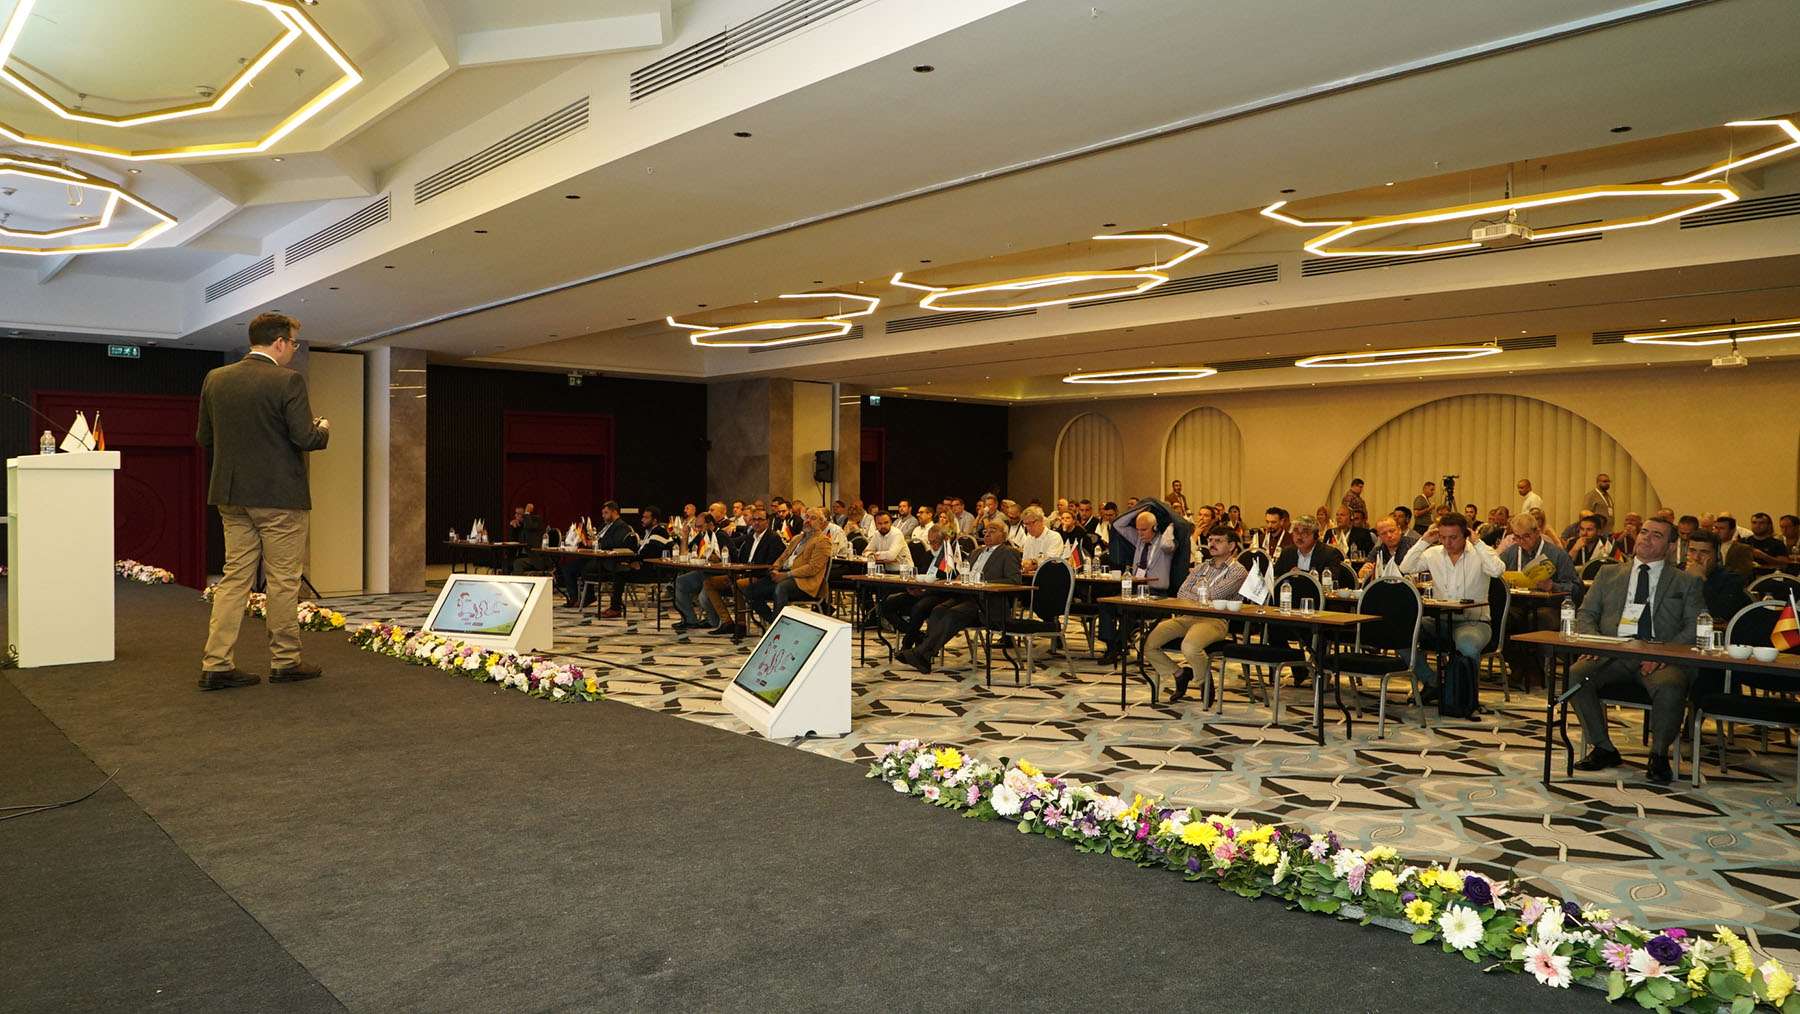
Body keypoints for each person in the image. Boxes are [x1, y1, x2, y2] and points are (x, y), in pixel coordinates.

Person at [195, 312, 331, 691]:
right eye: (293, 343)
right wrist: (322, 428)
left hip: (232, 495)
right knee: (282, 581)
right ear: (280, 343)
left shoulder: (216, 378)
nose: (293, 350)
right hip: (279, 498)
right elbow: (305, 438)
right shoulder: (288, 380)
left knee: (234, 578)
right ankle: (286, 661)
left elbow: (204, 437)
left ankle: (216, 663)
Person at [1568, 516, 1702, 784]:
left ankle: (1659, 755)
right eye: (1644, 532)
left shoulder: (1685, 582)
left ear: (1671, 546)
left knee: (1671, 685)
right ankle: (1603, 747)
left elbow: (1695, 626)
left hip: (1660, 658)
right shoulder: (1608, 573)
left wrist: (1662, 655)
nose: (1646, 539)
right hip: (1613, 652)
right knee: (1576, 675)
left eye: (1656, 535)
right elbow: (1586, 614)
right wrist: (1596, 643)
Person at [1399, 513, 1504, 702]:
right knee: (1401, 633)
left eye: (1453, 537)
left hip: (1474, 622)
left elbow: (1497, 570)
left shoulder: (1480, 553)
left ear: (1466, 534)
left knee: (1467, 646)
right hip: (1439, 621)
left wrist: (1478, 542)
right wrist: (1423, 541)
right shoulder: (1433, 553)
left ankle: (1464, 698)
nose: (1447, 543)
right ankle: (1432, 682)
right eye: (1443, 537)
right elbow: (1406, 567)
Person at [895, 520, 1021, 674]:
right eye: (986, 531)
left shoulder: (1008, 553)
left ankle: (921, 653)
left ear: (1004, 535)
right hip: (966, 596)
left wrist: (983, 581)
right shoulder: (977, 552)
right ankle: (926, 656)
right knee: (938, 610)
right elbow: (962, 572)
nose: (987, 534)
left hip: (987, 602)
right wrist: (958, 579)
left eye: (992, 530)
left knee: (953, 614)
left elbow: (1014, 581)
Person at [1154, 526, 1248, 704]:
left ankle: (1204, 681)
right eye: (1210, 540)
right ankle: (1180, 674)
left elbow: (1214, 595)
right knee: (1146, 643)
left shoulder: (1238, 571)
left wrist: (1197, 593)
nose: (1212, 544)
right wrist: (1201, 595)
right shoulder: (1202, 566)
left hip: (1215, 620)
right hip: (1187, 616)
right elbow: (1181, 593)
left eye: (1218, 541)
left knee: (1189, 647)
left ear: (1231, 546)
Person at [1494, 513, 1577, 689]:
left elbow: (1576, 588)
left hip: (1548, 607)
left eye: (1526, 536)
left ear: (1537, 532)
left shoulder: (1557, 554)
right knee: (1501, 619)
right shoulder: (1510, 553)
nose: (1521, 541)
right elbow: (1495, 578)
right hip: (1517, 604)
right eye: (1517, 537)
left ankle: (1534, 669)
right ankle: (1517, 665)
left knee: (1536, 619)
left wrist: (1553, 585)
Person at [1097, 510, 1179, 665]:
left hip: (1156, 593)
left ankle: (1117, 647)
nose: (1140, 533)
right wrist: (1141, 508)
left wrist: (1169, 525)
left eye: (1144, 529)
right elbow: (1118, 525)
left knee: (1129, 609)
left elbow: (1167, 543)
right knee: (1106, 603)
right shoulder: (1139, 540)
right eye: (1138, 529)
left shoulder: (1165, 545)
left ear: (1155, 527)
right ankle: (1111, 645)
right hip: (1135, 589)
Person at [879, 524, 961, 645]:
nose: (932, 545)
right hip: (920, 592)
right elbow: (919, 574)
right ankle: (919, 637)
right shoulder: (928, 555)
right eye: (930, 542)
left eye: (935, 542)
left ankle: (907, 644)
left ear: (944, 540)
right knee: (887, 604)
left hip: (939, 595)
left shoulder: (950, 557)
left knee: (919, 608)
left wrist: (924, 591)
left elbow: (951, 581)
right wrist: (912, 588)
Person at [746, 507, 831, 623]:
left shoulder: (823, 541)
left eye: (813, 518)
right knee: (751, 590)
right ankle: (774, 622)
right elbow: (783, 557)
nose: (807, 521)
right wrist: (775, 568)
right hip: (785, 576)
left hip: (804, 582)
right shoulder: (797, 538)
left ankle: (777, 627)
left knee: (781, 588)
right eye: (806, 517)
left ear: (821, 523)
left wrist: (787, 575)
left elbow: (812, 568)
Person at [711, 508, 786, 635]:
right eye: (754, 519)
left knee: (738, 584)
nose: (756, 522)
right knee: (710, 583)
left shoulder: (773, 538)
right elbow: (741, 557)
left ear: (767, 521)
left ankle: (741, 624)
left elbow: (771, 564)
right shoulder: (751, 536)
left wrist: (747, 571)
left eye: (760, 519)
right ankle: (727, 622)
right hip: (743, 573)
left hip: (760, 577)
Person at [559, 502, 638, 615]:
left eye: (606, 513)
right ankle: (574, 598)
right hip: (595, 556)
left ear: (614, 512)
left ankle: (589, 596)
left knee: (586, 568)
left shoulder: (621, 526)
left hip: (608, 561)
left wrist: (595, 543)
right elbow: (596, 538)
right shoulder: (605, 526)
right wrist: (586, 542)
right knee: (568, 568)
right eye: (602, 513)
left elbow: (614, 543)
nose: (603, 516)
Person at [672, 512, 723, 631]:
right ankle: (690, 620)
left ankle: (713, 621)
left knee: (703, 596)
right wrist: (685, 537)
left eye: (700, 526)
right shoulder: (701, 535)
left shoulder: (720, 535)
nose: (698, 529)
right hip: (703, 572)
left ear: (710, 524)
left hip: (719, 574)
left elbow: (728, 557)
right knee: (680, 582)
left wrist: (714, 558)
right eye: (696, 526)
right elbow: (684, 554)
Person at [1685, 532, 1751, 623]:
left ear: (1718, 555)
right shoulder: (1677, 573)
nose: (1696, 558)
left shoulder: (1731, 579)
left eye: (1704, 552)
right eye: (1692, 550)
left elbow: (1720, 614)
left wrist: (1702, 579)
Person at [1274, 516, 1348, 585]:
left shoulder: (1329, 553)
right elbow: (1275, 576)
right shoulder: (1287, 552)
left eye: (1305, 533)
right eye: (1296, 532)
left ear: (1315, 535)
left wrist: (1302, 574)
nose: (1299, 537)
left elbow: (1332, 580)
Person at [1357, 516, 1416, 584]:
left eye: (1392, 531)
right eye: (1383, 533)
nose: (1389, 535)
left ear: (1399, 530)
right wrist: (1364, 572)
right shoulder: (1377, 551)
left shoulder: (1413, 546)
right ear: (1379, 536)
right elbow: (1362, 573)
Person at [1015, 506, 1065, 575]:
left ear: (1041, 521)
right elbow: (1025, 562)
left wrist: (1034, 563)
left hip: (1049, 576)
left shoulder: (1054, 537)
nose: (1029, 527)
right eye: (1026, 524)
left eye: (1032, 523)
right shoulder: (1028, 539)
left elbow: (1050, 562)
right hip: (1029, 577)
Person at [1711, 515, 1756, 580]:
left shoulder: (1742, 549)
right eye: (1716, 528)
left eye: (1722, 528)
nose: (1717, 531)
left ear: (1732, 530)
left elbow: (1745, 572)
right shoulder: (1710, 546)